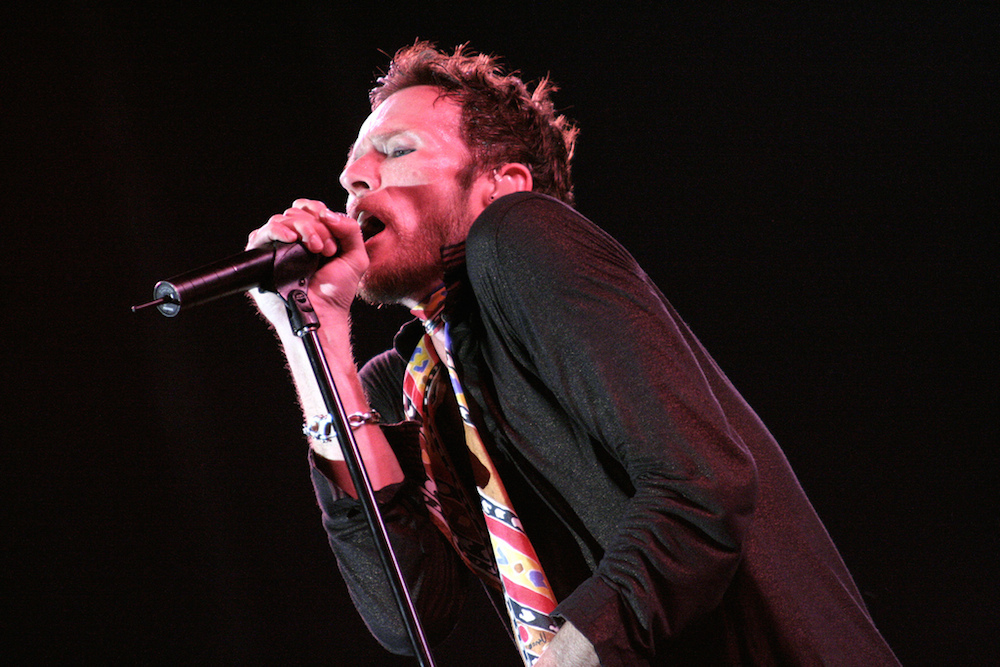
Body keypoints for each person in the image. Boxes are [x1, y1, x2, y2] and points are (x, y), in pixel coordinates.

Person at [246, 43, 899, 666]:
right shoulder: (406, 388)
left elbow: (704, 484)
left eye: (397, 149)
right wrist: (315, 332)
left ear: (503, 185)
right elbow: (408, 610)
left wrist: (575, 651)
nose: (354, 177)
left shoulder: (519, 236)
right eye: (354, 165)